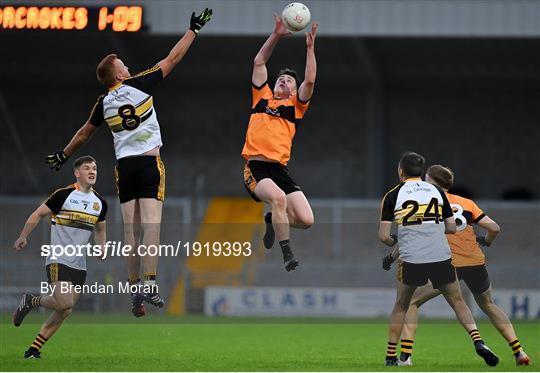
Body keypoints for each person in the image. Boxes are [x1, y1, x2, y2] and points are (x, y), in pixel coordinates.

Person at [45, 9, 212, 317]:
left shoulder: (103, 103)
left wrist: (63, 155)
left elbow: (84, 134)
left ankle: (134, 288)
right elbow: (173, 58)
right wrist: (193, 31)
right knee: (152, 227)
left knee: (130, 233)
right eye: (122, 64)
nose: (126, 65)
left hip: (124, 168)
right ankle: (149, 284)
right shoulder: (139, 84)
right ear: (120, 75)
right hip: (149, 164)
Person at [383, 164, 530, 366]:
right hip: (475, 261)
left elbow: (413, 236)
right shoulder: (467, 203)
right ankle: (519, 352)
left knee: (411, 302)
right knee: (488, 304)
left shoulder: (429, 202)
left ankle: (405, 356)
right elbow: (494, 228)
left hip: (448, 261)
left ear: (432, 181)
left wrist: (391, 256)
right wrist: (487, 241)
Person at [242, 14, 318, 272]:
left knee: (307, 220)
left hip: (279, 170)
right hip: (257, 168)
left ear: (294, 91)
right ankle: (287, 253)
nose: (283, 81)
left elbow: (310, 81)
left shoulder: (296, 107)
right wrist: (275, 35)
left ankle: (271, 219)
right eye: (281, 79)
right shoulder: (260, 97)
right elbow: (259, 61)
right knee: (278, 199)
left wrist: (310, 49)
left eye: (289, 81)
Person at [12, 156, 107, 359]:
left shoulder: (100, 203)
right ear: (77, 173)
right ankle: (31, 300)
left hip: (79, 264)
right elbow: (37, 214)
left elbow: (100, 229)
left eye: (95, 168)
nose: (92, 171)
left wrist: (102, 247)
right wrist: (23, 236)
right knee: (63, 303)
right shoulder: (63, 195)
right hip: (58, 258)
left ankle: (33, 349)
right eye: (87, 168)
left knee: (66, 310)